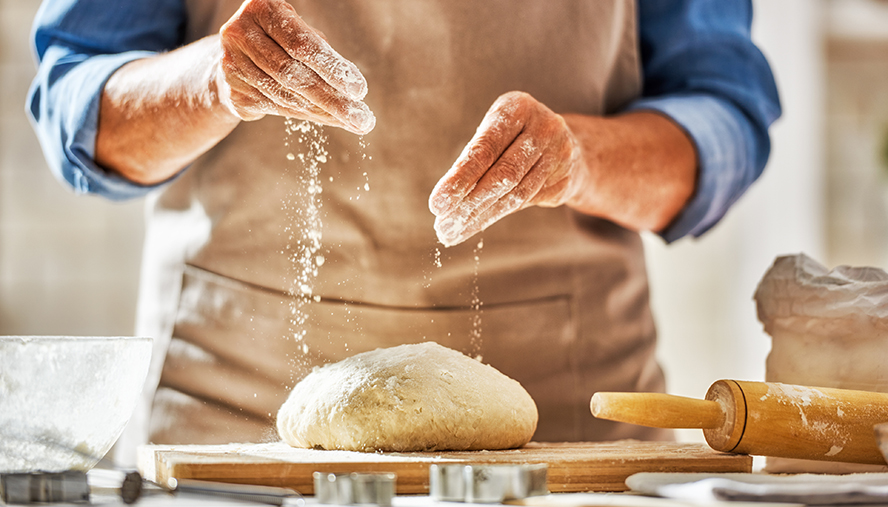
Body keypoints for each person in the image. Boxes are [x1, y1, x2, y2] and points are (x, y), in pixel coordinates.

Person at [28, 0, 780, 460]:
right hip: (232, 411)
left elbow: (724, 118)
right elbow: (76, 95)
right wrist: (209, 82)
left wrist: (582, 160)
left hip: (566, 428)